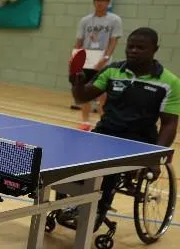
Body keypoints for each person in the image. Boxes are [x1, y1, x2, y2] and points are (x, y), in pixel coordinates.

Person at [70, 27, 179, 224]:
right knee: (74, 159)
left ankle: (98, 210)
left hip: (139, 139)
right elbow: (81, 98)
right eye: (131, 46)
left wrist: (156, 156)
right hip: (106, 132)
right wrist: (77, 84)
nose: (134, 50)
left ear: (155, 49)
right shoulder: (113, 71)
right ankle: (71, 202)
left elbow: (170, 123)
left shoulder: (169, 82)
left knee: (111, 166)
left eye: (140, 47)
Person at [71, 0, 123, 131]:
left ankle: (104, 121)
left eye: (103, 0)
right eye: (97, 0)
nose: (100, 3)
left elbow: (113, 41)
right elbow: (79, 40)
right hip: (86, 58)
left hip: (103, 58)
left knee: (103, 93)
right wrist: (74, 57)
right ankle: (85, 122)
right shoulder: (86, 20)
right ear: (94, 2)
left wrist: (105, 57)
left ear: (108, 3)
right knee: (85, 89)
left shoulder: (114, 20)